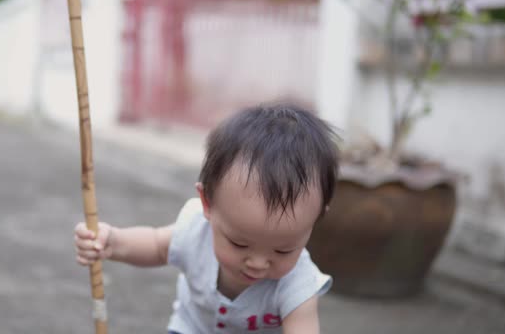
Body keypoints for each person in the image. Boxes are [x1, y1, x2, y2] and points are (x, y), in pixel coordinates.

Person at [74, 103, 339, 333]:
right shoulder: (195, 230)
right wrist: (113, 243)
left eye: (283, 250)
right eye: (239, 243)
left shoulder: (298, 284)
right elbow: (156, 245)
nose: (258, 263)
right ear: (207, 203)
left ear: (315, 220)